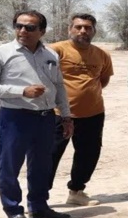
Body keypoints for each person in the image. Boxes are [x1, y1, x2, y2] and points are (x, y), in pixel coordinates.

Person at [0, 10, 74, 218]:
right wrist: (21, 91)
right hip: (15, 117)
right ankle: (13, 210)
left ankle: (39, 207)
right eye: (18, 26)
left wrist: (66, 115)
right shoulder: (0, 54)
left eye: (30, 28)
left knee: (42, 165)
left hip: (46, 118)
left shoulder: (50, 55)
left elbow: (58, 86)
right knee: (9, 165)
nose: (22, 31)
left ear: (42, 31)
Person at [48, 13, 114, 206]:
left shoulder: (102, 54)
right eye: (78, 27)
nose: (83, 31)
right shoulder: (56, 50)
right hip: (58, 114)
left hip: (93, 114)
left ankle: (76, 191)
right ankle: (39, 196)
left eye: (88, 27)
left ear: (94, 31)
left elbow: (103, 80)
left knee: (88, 154)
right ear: (70, 29)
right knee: (49, 154)